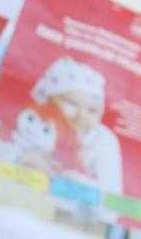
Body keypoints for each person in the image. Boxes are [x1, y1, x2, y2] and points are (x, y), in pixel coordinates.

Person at [32, 57, 123, 196]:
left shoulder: (104, 140)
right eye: (72, 104)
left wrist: (69, 181)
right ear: (48, 100)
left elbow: (110, 199)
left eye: (92, 110)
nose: (81, 116)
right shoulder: (34, 123)